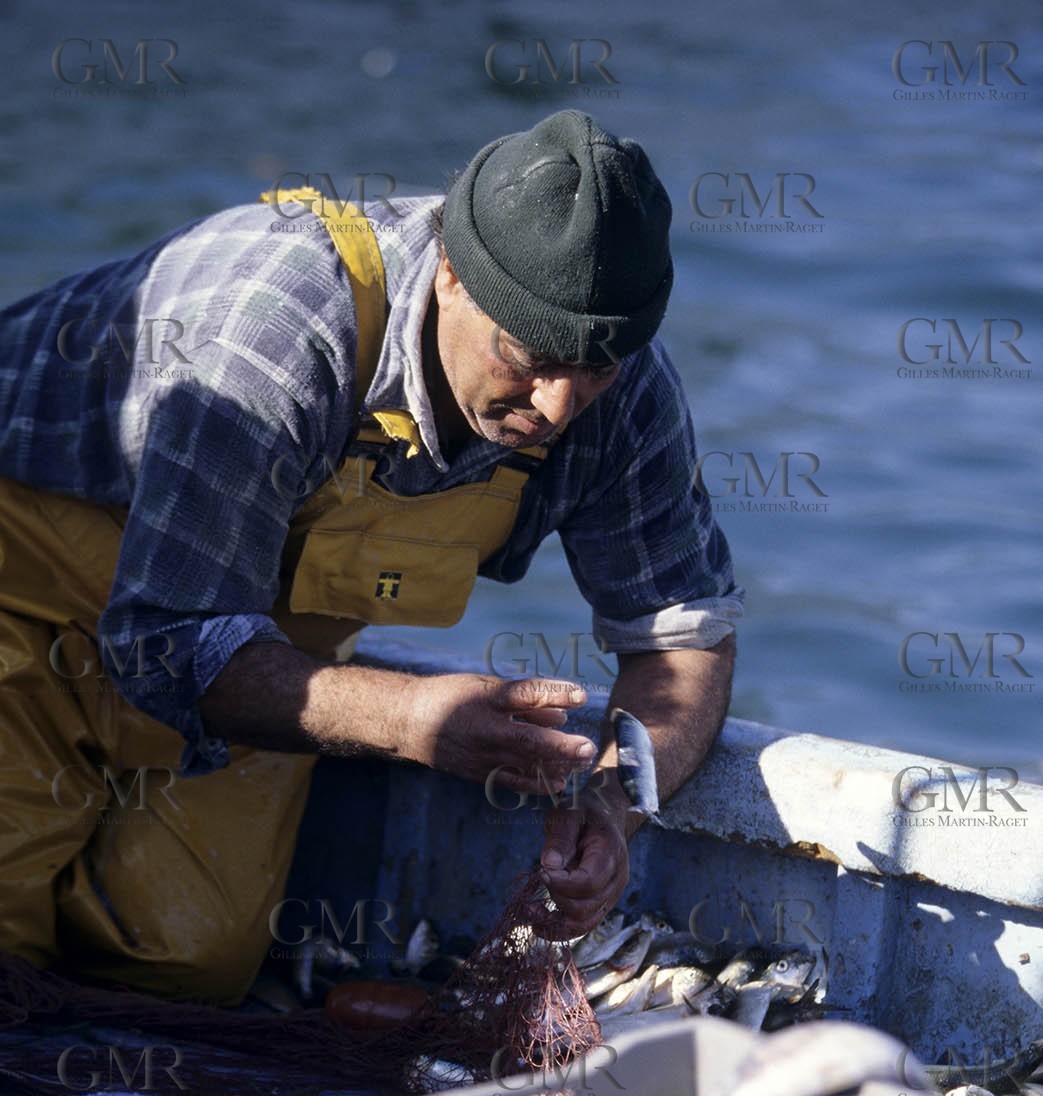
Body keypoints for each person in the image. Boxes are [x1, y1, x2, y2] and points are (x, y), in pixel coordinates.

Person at [0, 110, 742, 1004]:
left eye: (595, 371)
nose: (555, 406)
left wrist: (614, 804)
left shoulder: (614, 379)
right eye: (527, 358)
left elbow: (680, 636)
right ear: (451, 275)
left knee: (180, 963)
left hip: (244, 643)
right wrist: (412, 720)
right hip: (32, 602)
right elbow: (165, 638)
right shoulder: (277, 334)